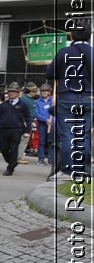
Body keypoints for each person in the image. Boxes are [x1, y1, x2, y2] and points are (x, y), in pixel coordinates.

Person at [46, 31, 91, 178]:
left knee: (67, 135)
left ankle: (67, 170)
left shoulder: (64, 52)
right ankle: (81, 169)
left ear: (72, 37)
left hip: (66, 96)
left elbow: (50, 74)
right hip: (88, 97)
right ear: (89, 36)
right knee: (83, 135)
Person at [0, 83, 32, 176]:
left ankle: (10, 169)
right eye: (10, 91)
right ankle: (12, 161)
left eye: (14, 92)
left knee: (14, 149)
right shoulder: (4, 104)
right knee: (3, 148)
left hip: (16, 130)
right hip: (4, 129)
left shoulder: (23, 105)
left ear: (18, 93)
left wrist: (27, 131)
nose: (11, 93)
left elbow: (28, 118)